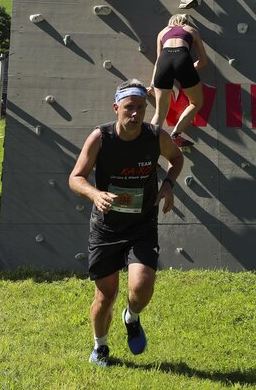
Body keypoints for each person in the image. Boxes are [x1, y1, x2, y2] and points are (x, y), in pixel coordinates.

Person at [68, 79, 184, 367]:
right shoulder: (101, 137)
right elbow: (75, 177)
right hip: (107, 227)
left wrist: (168, 184)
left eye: (141, 108)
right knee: (105, 296)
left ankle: (131, 317)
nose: (135, 114)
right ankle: (100, 347)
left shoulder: (156, 136)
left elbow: (177, 158)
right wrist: (95, 194)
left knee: (142, 288)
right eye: (129, 108)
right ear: (116, 107)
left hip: (142, 225)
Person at [149, 14, 208, 148]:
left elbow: (158, 61)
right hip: (183, 59)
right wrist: (188, 68)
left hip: (164, 62)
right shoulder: (191, 30)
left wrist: (152, 84)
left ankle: (149, 143)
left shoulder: (162, 32)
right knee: (196, 103)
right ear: (185, 22)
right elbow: (203, 61)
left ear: (171, 22)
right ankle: (175, 134)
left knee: (160, 112)